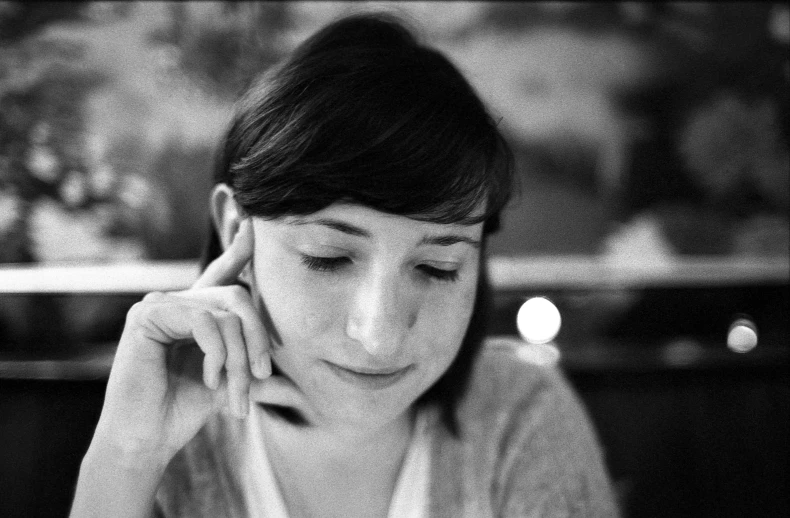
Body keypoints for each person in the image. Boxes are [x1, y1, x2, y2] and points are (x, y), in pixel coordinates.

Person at [70, 12, 619, 518]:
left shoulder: (518, 420)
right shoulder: (170, 443)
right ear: (238, 230)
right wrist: (125, 461)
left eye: (438, 267)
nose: (379, 336)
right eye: (328, 258)